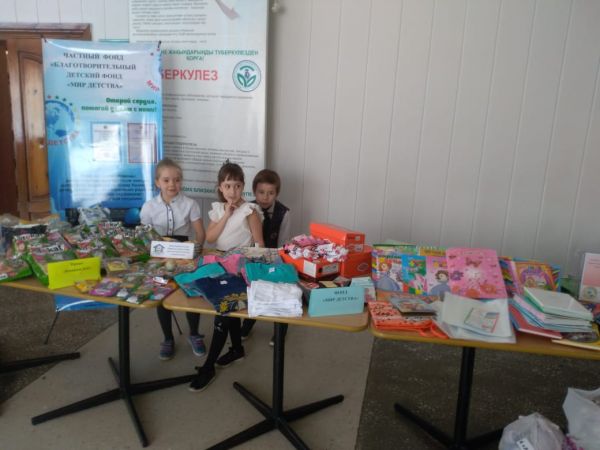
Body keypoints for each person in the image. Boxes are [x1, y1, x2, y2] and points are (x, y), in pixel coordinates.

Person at [189, 161, 264, 392]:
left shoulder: (250, 211)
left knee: (223, 312)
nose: (233, 191)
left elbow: (260, 243)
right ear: (220, 188)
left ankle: (208, 366)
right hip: (218, 265)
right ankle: (237, 350)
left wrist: (251, 268)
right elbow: (211, 238)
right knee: (226, 310)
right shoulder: (219, 209)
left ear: (243, 187)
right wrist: (226, 215)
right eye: (228, 186)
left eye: (237, 186)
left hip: (239, 267)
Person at [140, 157, 207, 360]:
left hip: (185, 253)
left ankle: (194, 334)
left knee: (191, 292)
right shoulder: (148, 207)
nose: (172, 184)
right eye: (166, 180)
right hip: (159, 255)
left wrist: (195, 252)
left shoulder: (190, 204)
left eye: (177, 180)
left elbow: (200, 233)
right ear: (157, 182)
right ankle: (168, 338)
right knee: (162, 294)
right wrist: (152, 254)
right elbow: (144, 237)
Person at [240, 169, 291, 345]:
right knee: (255, 291)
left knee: (280, 294)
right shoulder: (248, 209)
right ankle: (248, 324)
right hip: (253, 257)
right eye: (261, 192)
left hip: (276, 258)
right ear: (254, 191)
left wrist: (276, 261)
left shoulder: (284, 213)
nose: (265, 197)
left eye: (271, 193)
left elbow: (284, 243)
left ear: (277, 193)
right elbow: (245, 237)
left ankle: (280, 331)